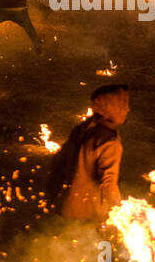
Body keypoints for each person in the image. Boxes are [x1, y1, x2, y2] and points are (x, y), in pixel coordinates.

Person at [46, 84, 129, 221]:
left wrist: (53, 193)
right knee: (101, 243)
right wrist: (121, 215)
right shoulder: (109, 142)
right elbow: (108, 185)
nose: (127, 109)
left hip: (64, 206)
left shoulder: (82, 129)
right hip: (87, 215)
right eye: (122, 105)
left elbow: (57, 163)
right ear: (107, 109)